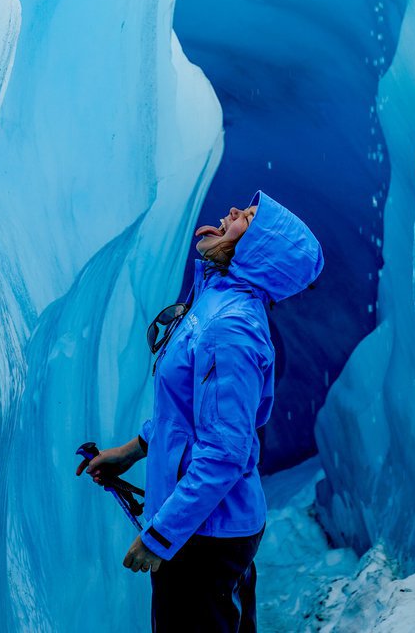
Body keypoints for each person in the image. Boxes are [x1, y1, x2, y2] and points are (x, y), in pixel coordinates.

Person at [77, 189, 323, 632]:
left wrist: (162, 536)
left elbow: (224, 452)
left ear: (260, 250)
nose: (232, 211)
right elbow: (189, 413)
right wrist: (133, 450)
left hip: (205, 537)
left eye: (247, 217)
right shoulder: (214, 300)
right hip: (205, 526)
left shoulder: (231, 328)